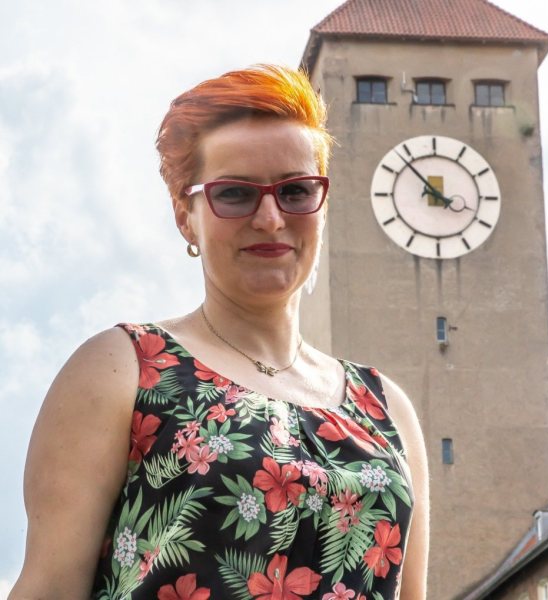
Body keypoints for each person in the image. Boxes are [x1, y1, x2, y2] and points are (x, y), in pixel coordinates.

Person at [9, 65, 429, 600]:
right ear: (185, 215)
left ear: (322, 207)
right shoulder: (123, 368)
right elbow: (48, 587)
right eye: (234, 194)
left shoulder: (387, 408)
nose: (271, 218)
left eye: (296, 190)